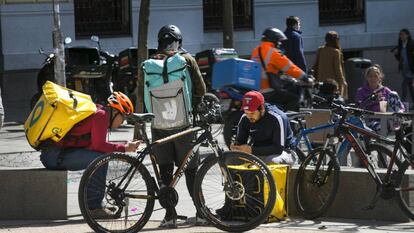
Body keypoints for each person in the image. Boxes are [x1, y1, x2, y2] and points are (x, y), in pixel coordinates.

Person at [39, 91, 140, 218]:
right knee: (100, 160)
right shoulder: (101, 116)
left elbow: (96, 144)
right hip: (54, 156)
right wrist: (125, 148)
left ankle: (96, 204)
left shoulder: (99, 113)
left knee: (100, 157)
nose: (123, 122)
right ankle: (93, 207)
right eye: (123, 117)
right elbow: (99, 146)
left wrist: (125, 145)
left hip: (54, 154)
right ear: (115, 112)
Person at [147, 25, 206, 228]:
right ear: (179, 41)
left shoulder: (150, 62)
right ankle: (201, 213)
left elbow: (141, 93)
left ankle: (170, 216)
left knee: (165, 171)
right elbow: (201, 89)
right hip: (183, 124)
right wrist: (195, 108)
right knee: (191, 170)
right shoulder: (187, 60)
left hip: (158, 123)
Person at [251, 27, 309, 111]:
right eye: (278, 41)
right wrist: (304, 76)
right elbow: (289, 67)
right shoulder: (273, 52)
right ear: (273, 40)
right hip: (267, 90)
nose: (280, 43)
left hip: (256, 88)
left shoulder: (256, 50)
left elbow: (268, 67)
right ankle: (289, 123)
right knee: (293, 98)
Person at [230, 91, 296, 165]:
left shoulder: (277, 118)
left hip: (284, 152)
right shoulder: (245, 118)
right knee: (229, 160)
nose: (249, 116)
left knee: (272, 162)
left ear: (262, 109)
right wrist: (236, 147)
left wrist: (251, 150)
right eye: (246, 112)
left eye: (252, 113)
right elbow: (240, 142)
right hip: (257, 152)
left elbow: (278, 149)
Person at [356, 65, 405, 132]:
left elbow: (399, 105)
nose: (373, 78)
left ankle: (396, 120)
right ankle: (393, 124)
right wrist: (373, 101)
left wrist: (398, 111)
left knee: (393, 94)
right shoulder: (361, 91)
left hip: (387, 118)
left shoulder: (385, 90)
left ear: (380, 78)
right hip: (370, 119)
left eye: (375, 76)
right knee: (381, 127)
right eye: (370, 76)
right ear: (367, 77)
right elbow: (359, 107)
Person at [313, 31, 348, 100]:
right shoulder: (336, 52)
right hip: (332, 84)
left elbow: (315, 66)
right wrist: (343, 82)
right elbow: (338, 69)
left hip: (321, 83)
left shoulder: (320, 50)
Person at [393, 28, 414, 106]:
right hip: (404, 69)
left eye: (403, 34)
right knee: (411, 87)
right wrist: (396, 54)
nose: (401, 36)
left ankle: (401, 103)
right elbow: (400, 59)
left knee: (404, 85)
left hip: (411, 69)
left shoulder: (412, 44)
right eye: (400, 34)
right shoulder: (400, 45)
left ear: (407, 35)